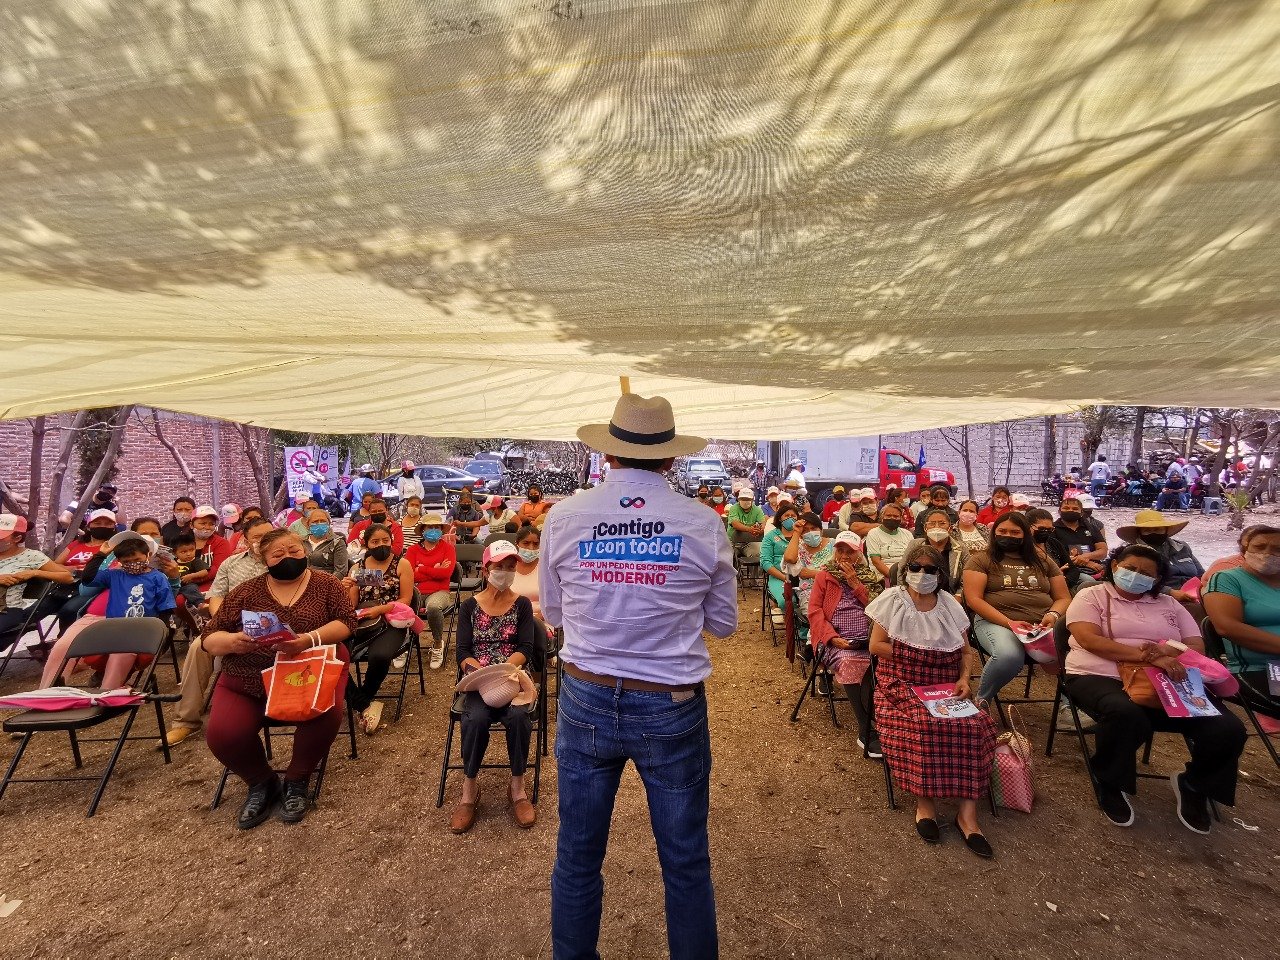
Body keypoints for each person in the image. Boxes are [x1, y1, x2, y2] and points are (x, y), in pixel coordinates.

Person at [542, 392, 736, 960]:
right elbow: (723, 624)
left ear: (608, 454)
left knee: (577, 854)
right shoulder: (701, 523)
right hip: (670, 701)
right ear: (670, 461)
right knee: (685, 861)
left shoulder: (566, 517)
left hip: (586, 692)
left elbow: (553, 614)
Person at [1066, 544, 1247, 831]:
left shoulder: (1170, 604)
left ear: (1158, 579)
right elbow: (1089, 640)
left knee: (1227, 729)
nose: (1136, 576)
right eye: (1130, 568)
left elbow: (1195, 644)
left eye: (1146, 573)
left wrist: (1166, 658)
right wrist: (1148, 656)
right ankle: (1110, 781)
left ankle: (1195, 785)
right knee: (1125, 714)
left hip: (1168, 680)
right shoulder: (1093, 595)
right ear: (1114, 567)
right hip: (1098, 674)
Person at [201, 529, 357, 828]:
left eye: (295, 550)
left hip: (309, 670)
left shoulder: (326, 584)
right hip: (249, 676)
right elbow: (209, 636)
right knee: (223, 735)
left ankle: (297, 780)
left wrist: (307, 639)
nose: (289, 557)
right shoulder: (245, 592)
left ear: (304, 550)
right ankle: (262, 782)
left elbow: (347, 621)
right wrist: (234, 642)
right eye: (278, 554)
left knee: (324, 713)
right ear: (263, 558)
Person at [867, 543, 997, 857]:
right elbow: (876, 645)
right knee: (925, 724)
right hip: (901, 681)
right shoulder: (892, 600)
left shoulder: (950, 605)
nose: (922, 574)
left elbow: (965, 652)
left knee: (976, 725)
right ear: (905, 569)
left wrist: (964, 679)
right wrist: (921, 656)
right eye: (916, 568)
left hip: (944, 682)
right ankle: (925, 804)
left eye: (930, 569)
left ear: (940, 574)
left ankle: (967, 815)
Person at [450, 540, 539, 833]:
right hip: (478, 681)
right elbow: (463, 651)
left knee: (518, 718)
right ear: (486, 568)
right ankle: (469, 788)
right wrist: (480, 672)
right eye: (500, 567)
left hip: (511, 679)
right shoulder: (469, 607)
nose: (506, 572)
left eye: (511, 567)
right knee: (473, 719)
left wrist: (503, 670)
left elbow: (526, 646)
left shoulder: (522, 604)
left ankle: (518, 787)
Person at [163, 517, 274, 747]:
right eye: (257, 537)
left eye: (269, 535)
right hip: (231, 621)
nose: (264, 541)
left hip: (271, 623)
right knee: (199, 647)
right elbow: (216, 596)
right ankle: (186, 721)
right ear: (245, 539)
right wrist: (221, 619)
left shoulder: (284, 561)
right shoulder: (231, 564)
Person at [39, 533, 175, 689]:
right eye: (127, 562)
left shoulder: (158, 577)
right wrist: (101, 554)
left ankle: (108, 692)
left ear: (148, 555)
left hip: (142, 627)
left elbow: (166, 605)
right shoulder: (115, 575)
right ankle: (50, 689)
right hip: (114, 626)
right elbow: (88, 579)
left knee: (123, 652)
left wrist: (159, 631)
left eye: (137, 560)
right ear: (119, 561)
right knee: (67, 646)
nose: (132, 564)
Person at [964, 512, 1070, 705]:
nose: (1008, 536)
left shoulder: (1042, 559)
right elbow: (974, 600)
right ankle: (981, 701)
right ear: (994, 533)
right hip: (996, 622)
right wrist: (1010, 623)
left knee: (1075, 654)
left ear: (1025, 535)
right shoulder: (981, 559)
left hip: (1043, 625)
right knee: (1008, 656)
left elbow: (1063, 597)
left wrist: (1053, 615)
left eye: (1015, 532)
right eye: (1002, 531)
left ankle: (1067, 707)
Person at [809, 532, 883, 754]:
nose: (844, 555)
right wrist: (831, 637)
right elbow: (814, 611)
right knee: (852, 663)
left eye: (849, 551)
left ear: (858, 553)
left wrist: (854, 582)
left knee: (878, 664)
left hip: (868, 637)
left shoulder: (869, 575)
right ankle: (865, 729)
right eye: (840, 550)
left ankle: (881, 721)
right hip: (835, 639)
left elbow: (877, 607)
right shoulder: (824, 576)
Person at [1204, 525, 1280, 720]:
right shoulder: (1227, 579)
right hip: (1260, 668)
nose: (1268, 554)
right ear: (1244, 549)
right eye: (1259, 547)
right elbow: (1226, 626)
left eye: (1277, 549)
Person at [344, 524, 414, 734]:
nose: (381, 545)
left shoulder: (401, 564)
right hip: (364, 620)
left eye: (385, 540)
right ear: (366, 543)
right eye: (375, 541)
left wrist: (381, 609)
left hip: (393, 619)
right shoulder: (358, 567)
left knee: (381, 656)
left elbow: (406, 600)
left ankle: (362, 697)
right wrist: (346, 588)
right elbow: (352, 604)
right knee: (334, 655)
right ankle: (364, 704)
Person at [0, 514, 74, 647]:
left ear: (17, 538)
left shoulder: (31, 556)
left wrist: (35, 572)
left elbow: (67, 577)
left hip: (8, 609)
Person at [1116, 510, 1204, 605]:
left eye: (1158, 529)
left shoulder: (1182, 547)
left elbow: (1201, 573)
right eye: (1147, 531)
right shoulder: (1135, 552)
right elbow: (1136, 581)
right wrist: (1170, 592)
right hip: (1159, 597)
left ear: (1166, 530)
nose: (1153, 533)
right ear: (1139, 533)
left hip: (1194, 592)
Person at [405, 513, 456, 670]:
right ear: (423, 530)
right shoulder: (412, 550)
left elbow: (446, 574)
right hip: (416, 591)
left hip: (440, 592)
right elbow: (409, 575)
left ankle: (437, 643)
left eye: (437, 527)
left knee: (433, 607)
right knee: (401, 606)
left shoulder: (448, 548)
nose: (434, 530)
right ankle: (403, 644)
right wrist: (435, 569)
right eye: (430, 527)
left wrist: (422, 569)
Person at [780, 511, 836, 650]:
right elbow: (791, 561)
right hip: (809, 592)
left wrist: (812, 573)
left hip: (835, 589)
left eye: (813, 529)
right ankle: (821, 652)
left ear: (821, 529)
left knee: (837, 612)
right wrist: (796, 533)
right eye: (805, 530)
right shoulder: (798, 548)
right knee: (820, 613)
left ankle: (812, 647)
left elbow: (840, 573)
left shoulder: (835, 545)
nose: (810, 533)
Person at [893, 509, 969, 599]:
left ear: (950, 528)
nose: (937, 527)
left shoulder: (961, 549)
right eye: (932, 524)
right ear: (925, 528)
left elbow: (967, 581)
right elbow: (902, 572)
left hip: (950, 597)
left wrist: (957, 598)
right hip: (916, 596)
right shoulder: (914, 545)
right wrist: (908, 597)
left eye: (942, 523)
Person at [1053, 496, 1108, 589]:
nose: (1070, 510)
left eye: (1075, 509)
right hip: (1070, 569)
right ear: (1059, 511)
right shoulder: (1053, 529)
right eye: (1066, 508)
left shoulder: (1091, 528)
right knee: (1089, 583)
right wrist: (1087, 563)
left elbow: (1103, 551)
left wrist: (1086, 557)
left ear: (1081, 512)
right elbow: (1056, 556)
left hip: (1097, 567)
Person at [762, 502, 801, 614]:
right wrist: (784, 578)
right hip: (779, 577)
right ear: (780, 518)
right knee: (787, 601)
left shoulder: (802, 535)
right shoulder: (770, 537)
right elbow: (765, 562)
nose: (790, 518)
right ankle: (792, 628)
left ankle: (804, 629)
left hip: (802, 576)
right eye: (787, 516)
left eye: (793, 516)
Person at [864, 503, 914, 579]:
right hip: (883, 577)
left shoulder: (907, 534)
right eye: (888, 515)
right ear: (882, 517)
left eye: (896, 516)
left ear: (901, 518)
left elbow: (913, 558)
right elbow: (876, 562)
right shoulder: (873, 533)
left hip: (907, 576)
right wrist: (894, 578)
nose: (892, 518)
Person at [191, 505, 234, 587]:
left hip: (214, 586)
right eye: (202, 523)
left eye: (211, 524)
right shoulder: (183, 542)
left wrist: (190, 579)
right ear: (191, 525)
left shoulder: (221, 543)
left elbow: (218, 569)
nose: (207, 527)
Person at [303, 508, 348, 578]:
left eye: (323, 521)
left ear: (329, 523)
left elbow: (341, 571)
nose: (319, 524)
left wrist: (326, 584)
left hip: (327, 583)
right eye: (315, 521)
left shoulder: (337, 542)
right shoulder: (302, 542)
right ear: (308, 525)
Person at [170, 531, 210, 607]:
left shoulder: (195, 561)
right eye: (183, 552)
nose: (188, 554)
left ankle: (201, 604)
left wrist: (191, 576)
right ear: (175, 553)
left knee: (191, 589)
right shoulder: (173, 562)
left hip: (187, 585)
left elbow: (205, 572)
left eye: (191, 550)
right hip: (174, 586)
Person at [726, 489, 766, 553]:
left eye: (748, 499)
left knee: (757, 552)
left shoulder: (757, 510)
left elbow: (763, 524)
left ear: (752, 499)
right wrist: (749, 529)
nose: (745, 501)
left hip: (749, 542)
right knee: (729, 555)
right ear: (738, 499)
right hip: (733, 542)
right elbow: (735, 524)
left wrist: (761, 530)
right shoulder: (734, 508)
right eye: (743, 499)